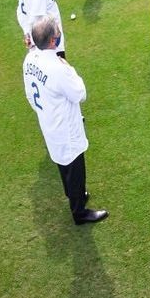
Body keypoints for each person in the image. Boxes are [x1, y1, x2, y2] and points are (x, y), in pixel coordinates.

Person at [22, 15, 107, 225]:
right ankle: (79, 212)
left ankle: (74, 194)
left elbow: (28, 94)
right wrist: (69, 67)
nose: (60, 34)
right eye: (57, 32)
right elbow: (80, 93)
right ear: (52, 41)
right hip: (65, 127)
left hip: (48, 123)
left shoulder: (29, 59)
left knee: (63, 164)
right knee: (75, 166)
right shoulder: (58, 68)